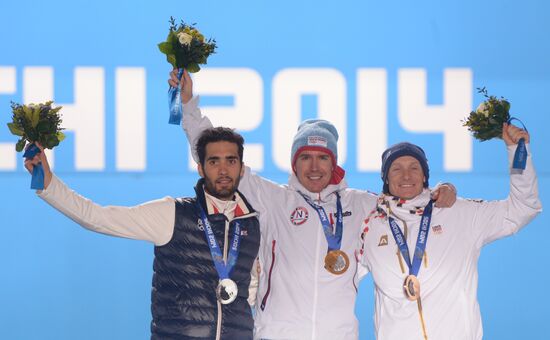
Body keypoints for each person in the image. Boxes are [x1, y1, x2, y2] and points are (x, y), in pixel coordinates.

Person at [169, 69, 457, 339]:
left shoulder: (363, 205)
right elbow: (216, 154)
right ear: (295, 163)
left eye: (323, 157)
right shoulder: (273, 199)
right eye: (305, 157)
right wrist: (188, 105)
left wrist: (444, 189)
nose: (315, 166)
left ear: (334, 163)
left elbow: (408, 199)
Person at [24, 127, 261, 340]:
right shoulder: (173, 213)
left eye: (231, 161)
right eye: (213, 161)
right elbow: (97, 218)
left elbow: (252, 293)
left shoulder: (252, 226)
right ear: (200, 168)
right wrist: (49, 185)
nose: (223, 170)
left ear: (241, 169)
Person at [357, 125, 541, 339]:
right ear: (386, 178)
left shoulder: (459, 212)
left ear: (425, 176)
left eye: (414, 168)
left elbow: (523, 209)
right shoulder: (369, 226)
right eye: (396, 168)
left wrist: (518, 152)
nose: (406, 175)